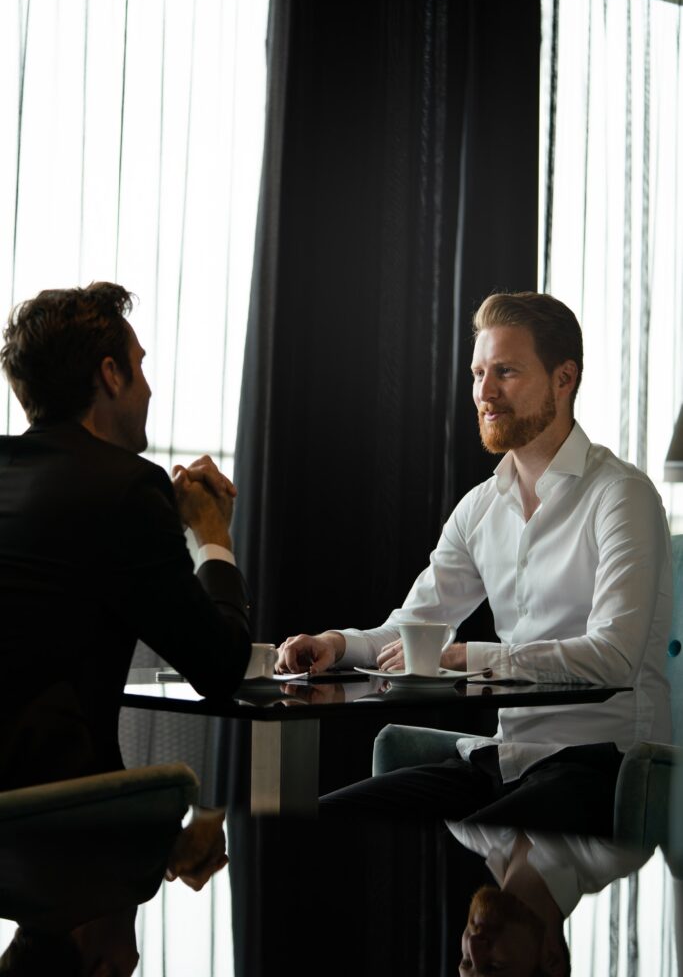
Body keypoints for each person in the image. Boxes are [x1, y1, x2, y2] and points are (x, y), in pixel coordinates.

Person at [276, 292, 672, 834]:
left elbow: (613, 658)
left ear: (564, 378)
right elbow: (412, 629)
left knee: (486, 839)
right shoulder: (480, 508)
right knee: (316, 823)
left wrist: (473, 657)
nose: (484, 393)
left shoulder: (620, 495)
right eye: (478, 373)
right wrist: (336, 646)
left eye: (505, 372)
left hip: (605, 766)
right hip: (507, 759)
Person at [0, 281, 252, 792]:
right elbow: (221, 667)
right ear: (111, 375)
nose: (151, 388)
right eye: (140, 364)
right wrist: (210, 533)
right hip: (57, 822)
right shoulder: (127, 487)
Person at [454, 825, 651, 977]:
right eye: (493, 967)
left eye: (467, 962)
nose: (473, 943)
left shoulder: (464, 828)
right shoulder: (618, 847)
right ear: (551, 958)